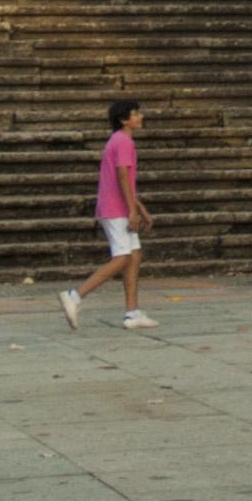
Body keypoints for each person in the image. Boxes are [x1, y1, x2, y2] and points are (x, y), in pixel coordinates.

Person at [62, 98, 158, 331]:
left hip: (117, 206)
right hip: (116, 209)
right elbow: (122, 177)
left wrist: (139, 206)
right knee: (123, 257)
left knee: (134, 254)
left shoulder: (117, 141)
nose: (140, 117)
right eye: (135, 114)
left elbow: (123, 180)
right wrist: (132, 210)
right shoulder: (123, 142)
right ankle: (75, 296)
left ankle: (132, 312)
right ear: (124, 119)